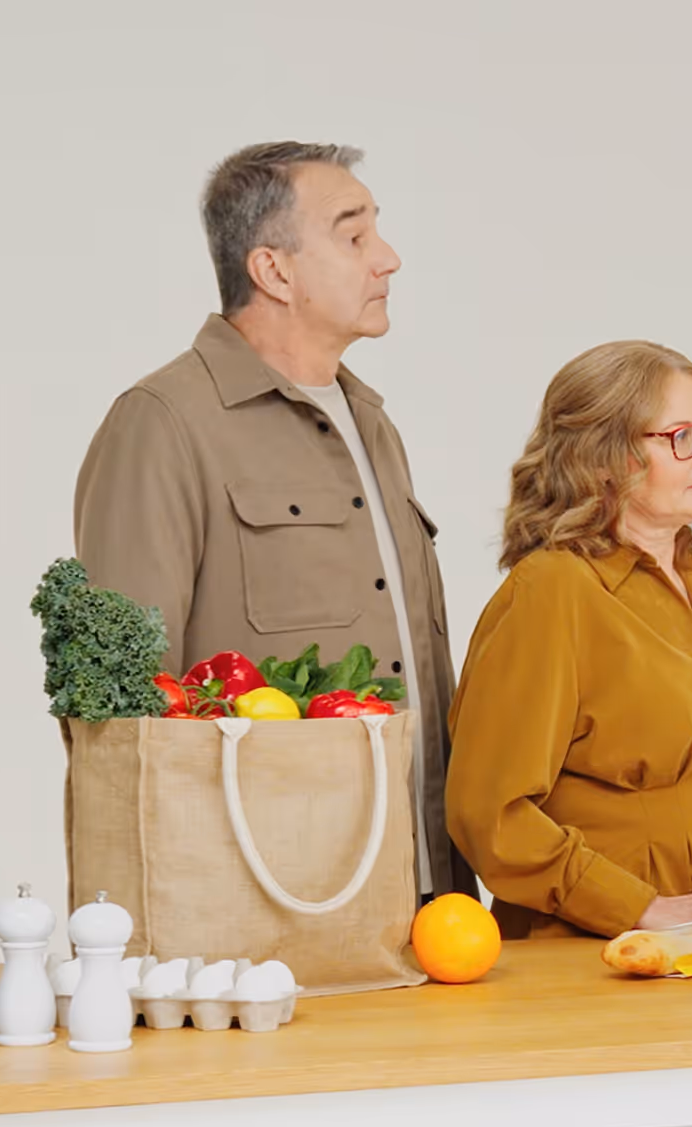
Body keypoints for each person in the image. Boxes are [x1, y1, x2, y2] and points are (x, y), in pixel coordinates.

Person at [75, 141, 472, 900]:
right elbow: (124, 711)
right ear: (274, 270)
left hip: (419, 892)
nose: (386, 259)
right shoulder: (163, 424)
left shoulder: (371, 425)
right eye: (353, 236)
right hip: (260, 900)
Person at [446, 340, 692, 939]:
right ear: (602, 457)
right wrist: (639, 908)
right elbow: (490, 813)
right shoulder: (552, 592)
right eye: (683, 435)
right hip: (587, 970)